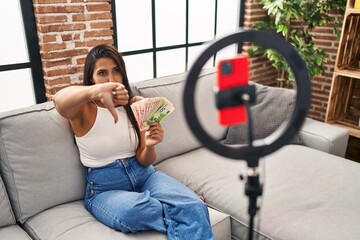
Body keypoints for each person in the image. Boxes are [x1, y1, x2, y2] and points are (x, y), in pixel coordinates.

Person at [53, 44, 214, 239]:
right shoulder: (83, 110)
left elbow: (145, 160)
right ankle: (184, 206)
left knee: (194, 207)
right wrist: (96, 91)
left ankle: (187, 205)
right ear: (91, 79)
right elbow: (59, 100)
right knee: (135, 212)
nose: (111, 79)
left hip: (145, 175)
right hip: (105, 187)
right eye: (102, 73)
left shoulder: (134, 106)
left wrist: (150, 144)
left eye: (116, 71)